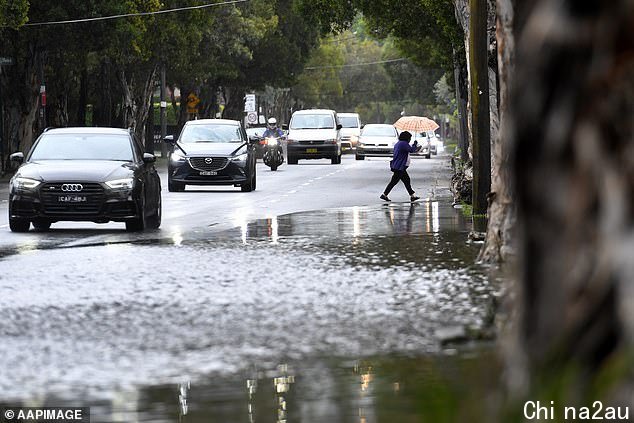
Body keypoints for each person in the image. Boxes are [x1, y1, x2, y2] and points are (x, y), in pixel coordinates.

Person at [380, 130, 421, 202]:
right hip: (399, 167)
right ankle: (384, 194)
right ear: (406, 138)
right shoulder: (403, 144)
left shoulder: (399, 143)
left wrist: (415, 146)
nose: (410, 140)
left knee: (406, 180)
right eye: (409, 138)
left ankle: (412, 195)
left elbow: (409, 150)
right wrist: (415, 144)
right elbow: (411, 150)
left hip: (398, 166)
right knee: (394, 181)